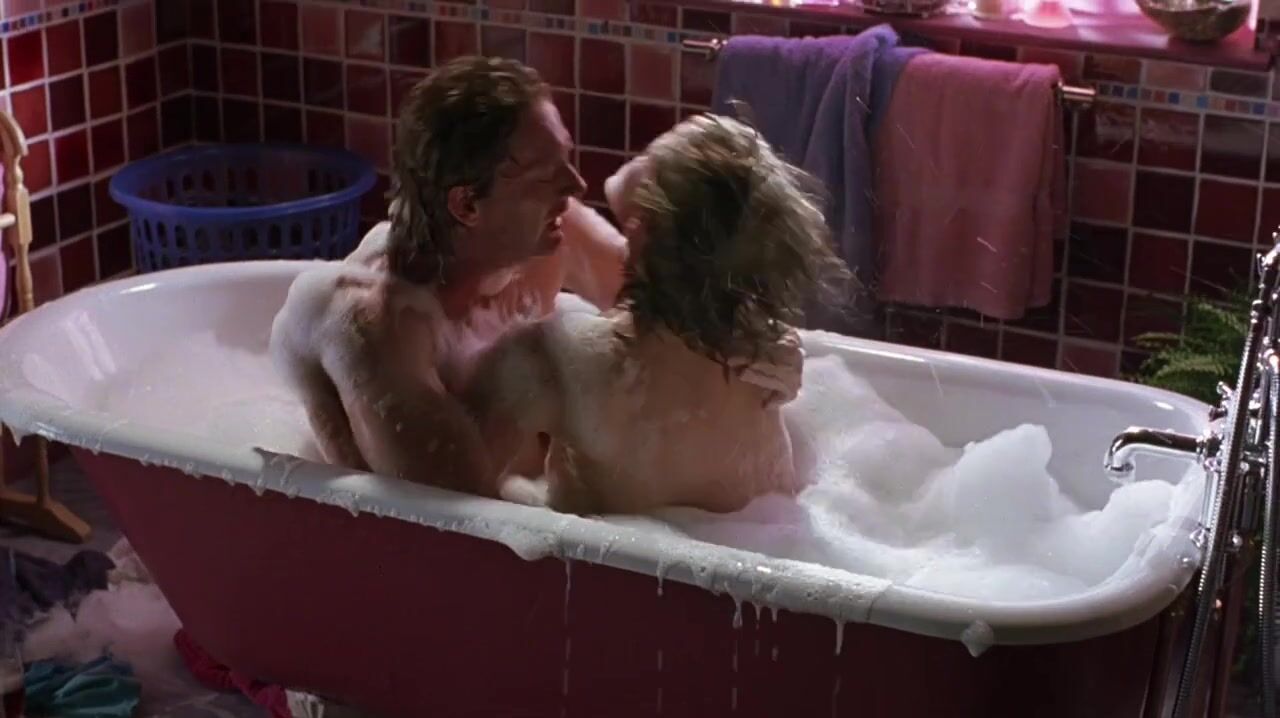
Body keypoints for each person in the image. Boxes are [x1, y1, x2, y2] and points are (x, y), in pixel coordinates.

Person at [268, 56, 628, 494]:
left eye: (565, 159)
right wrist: (537, 376)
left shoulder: (545, 232)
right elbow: (451, 510)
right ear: (467, 205)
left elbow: (657, 301)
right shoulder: (379, 326)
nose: (576, 185)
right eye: (543, 176)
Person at [463, 113, 850, 515]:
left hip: (608, 553)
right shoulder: (760, 359)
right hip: (766, 541)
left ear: (640, 230)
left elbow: (448, 501)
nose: (573, 184)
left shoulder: (553, 359)